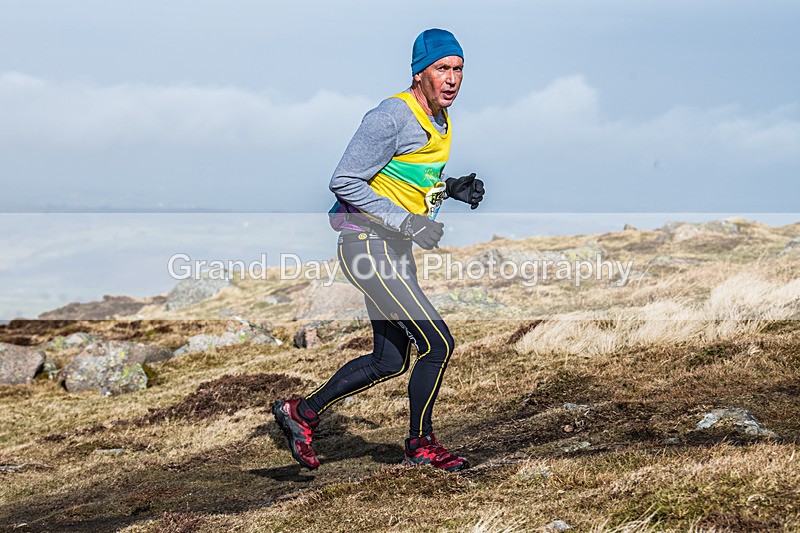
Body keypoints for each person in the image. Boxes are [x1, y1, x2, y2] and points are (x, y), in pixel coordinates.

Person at [273, 28, 484, 473]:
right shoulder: (391, 115)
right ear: (419, 73)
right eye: (442, 69)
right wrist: (409, 222)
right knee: (438, 343)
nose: (452, 79)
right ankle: (420, 444)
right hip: (367, 247)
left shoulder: (441, 119)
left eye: (458, 69)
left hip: (392, 250)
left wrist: (449, 189)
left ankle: (302, 413)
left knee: (389, 359)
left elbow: (401, 182)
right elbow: (345, 180)